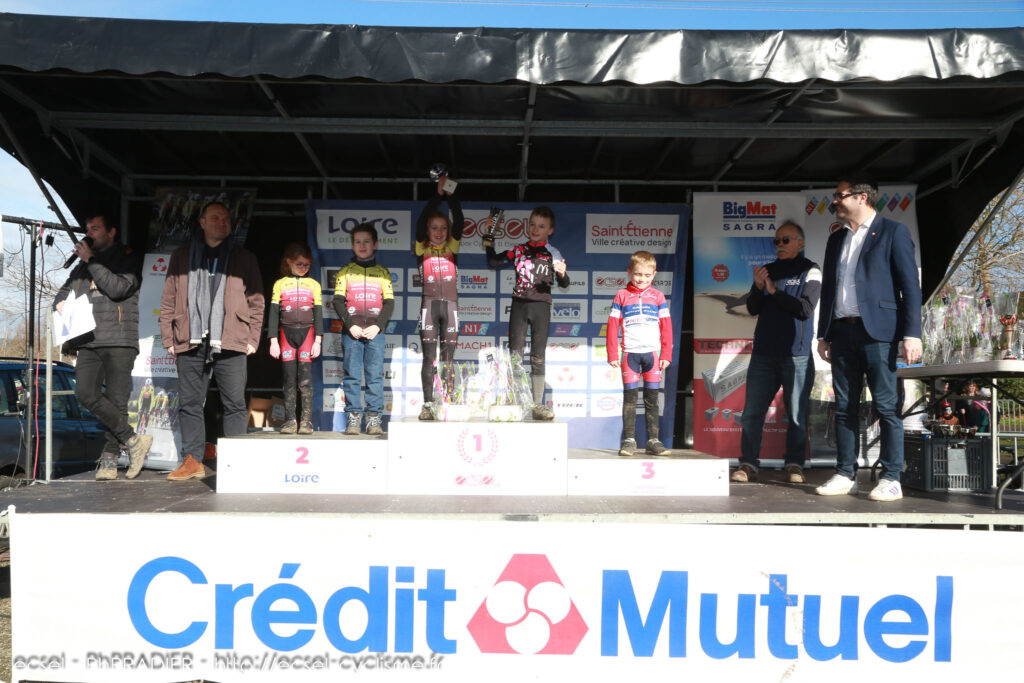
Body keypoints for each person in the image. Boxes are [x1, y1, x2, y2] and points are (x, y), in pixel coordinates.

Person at [815, 178, 922, 502]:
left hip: (879, 333)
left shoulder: (893, 232)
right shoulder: (836, 239)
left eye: (840, 196)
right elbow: (829, 288)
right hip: (842, 331)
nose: (834, 201)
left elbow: (910, 287)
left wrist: (912, 333)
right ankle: (845, 473)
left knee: (886, 406)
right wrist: (824, 333)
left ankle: (891, 478)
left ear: (862, 197)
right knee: (844, 406)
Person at [159, 201, 265, 481]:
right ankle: (193, 460)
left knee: (234, 403)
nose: (222, 223)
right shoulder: (182, 255)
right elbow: (169, 297)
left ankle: (236, 462)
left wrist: (253, 338)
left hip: (231, 338)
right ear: (202, 223)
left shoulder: (244, 257)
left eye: (226, 219)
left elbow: (256, 300)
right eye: (215, 218)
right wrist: (168, 337)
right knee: (190, 403)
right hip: (190, 338)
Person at [54, 212, 152, 481]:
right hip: (88, 339)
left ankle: (109, 460)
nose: (89, 234)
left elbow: (118, 288)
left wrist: (92, 260)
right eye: (87, 229)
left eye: (95, 229)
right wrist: (59, 302)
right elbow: (64, 290)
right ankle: (133, 440)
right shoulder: (82, 266)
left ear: (111, 232)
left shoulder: (127, 257)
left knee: (117, 401)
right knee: (85, 392)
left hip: (119, 338)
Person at [731, 221, 821, 484]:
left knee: (796, 414)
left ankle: (794, 464)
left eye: (786, 240)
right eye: (777, 241)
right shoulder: (767, 270)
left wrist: (773, 290)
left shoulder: (811, 270)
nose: (780, 244)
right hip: (764, 354)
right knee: (752, 413)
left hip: (797, 354)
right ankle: (748, 463)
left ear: (800, 243)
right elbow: (752, 308)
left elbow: (805, 309)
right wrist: (759, 288)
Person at [485, 206, 569, 420]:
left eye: (541, 226)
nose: (535, 229)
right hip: (519, 306)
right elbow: (493, 262)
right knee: (515, 356)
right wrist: (489, 238)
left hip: (541, 306)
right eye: (532, 224)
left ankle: (538, 405)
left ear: (550, 230)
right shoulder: (518, 249)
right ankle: (514, 401)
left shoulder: (553, 253)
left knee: (538, 357)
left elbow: (564, 283)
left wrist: (562, 274)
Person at [605, 250, 673, 456]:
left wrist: (666, 354)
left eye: (647, 275)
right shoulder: (621, 295)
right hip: (630, 355)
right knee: (630, 400)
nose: (642, 279)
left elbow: (667, 327)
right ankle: (629, 441)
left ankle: (653, 441)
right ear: (629, 272)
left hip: (652, 355)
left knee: (652, 399)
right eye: (637, 274)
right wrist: (612, 354)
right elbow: (612, 325)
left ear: (654, 275)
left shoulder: (658, 296)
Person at [333, 222, 394, 436]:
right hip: (352, 333)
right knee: (352, 376)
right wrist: (351, 325)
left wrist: (378, 326)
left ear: (375, 244)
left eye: (366, 242)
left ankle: (374, 418)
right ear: (352, 246)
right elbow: (338, 301)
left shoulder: (383, 273)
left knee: (375, 376)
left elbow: (389, 303)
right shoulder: (345, 272)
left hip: (375, 332)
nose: (362, 245)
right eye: (358, 242)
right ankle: (353, 417)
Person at [414, 175, 464, 420]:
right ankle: (428, 405)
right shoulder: (421, 248)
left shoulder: (452, 247)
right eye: (434, 228)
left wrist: (450, 196)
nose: (439, 232)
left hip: (451, 307)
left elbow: (460, 219)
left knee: (448, 358)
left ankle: (448, 402)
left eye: (443, 228)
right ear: (427, 230)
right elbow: (423, 217)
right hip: (429, 307)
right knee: (429, 358)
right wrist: (437, 195)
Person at [268, 243, 323, 434]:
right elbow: (273, 313)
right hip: (286, 336)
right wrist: (273, 340)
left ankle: (306, 422)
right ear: (289, 262)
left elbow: (318, 313)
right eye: (299, 264)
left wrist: (318, 340)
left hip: (307, 335)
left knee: (305, 381)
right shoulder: (280, 284)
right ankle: (290, 421)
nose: (303, 268)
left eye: (307, 265)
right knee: (289, 380)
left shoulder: (314, 284)